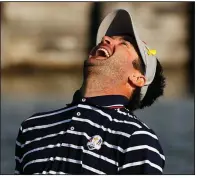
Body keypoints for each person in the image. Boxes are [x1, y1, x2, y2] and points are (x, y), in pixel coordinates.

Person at [15, 9, 166, 175]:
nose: (105, 38)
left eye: (124, 43)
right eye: (108, 37)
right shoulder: (33, 126)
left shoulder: (137, 139)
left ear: (137, 78)